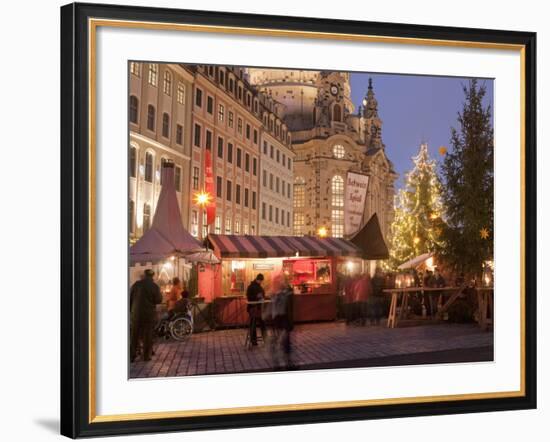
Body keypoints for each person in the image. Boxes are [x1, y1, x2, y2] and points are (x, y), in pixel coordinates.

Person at [130, 269, 162, 362]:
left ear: (144, 275)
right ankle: (146, 356)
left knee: (134, 336)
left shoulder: (136, 285)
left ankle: (132, 356)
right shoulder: (154, 286)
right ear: (152, 276)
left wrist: (131, 312)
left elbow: (130, 298)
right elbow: (158, 300)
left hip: (136, 314)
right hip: (148, 315)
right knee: (147, 336)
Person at [269, 274, 294, 368]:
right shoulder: (280, 293)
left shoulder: (277, 292)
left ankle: (283, 363)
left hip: (279, 318)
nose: (282, 282)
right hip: (280, 318)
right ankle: (284, 363)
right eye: (281, 280)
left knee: (284, 341)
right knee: (283, 341)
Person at [246, 274, 266, 346]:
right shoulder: (253, 287)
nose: (261, 282)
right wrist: (258, 297)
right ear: (258, 279)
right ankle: (264, 339)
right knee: (261, 324)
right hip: (254, 308)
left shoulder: (253, 286)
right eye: (260, 280)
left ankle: (254, 340)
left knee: (254, 324)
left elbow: (262, 295)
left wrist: (262, 297)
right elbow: (249, 297)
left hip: (255, 308)